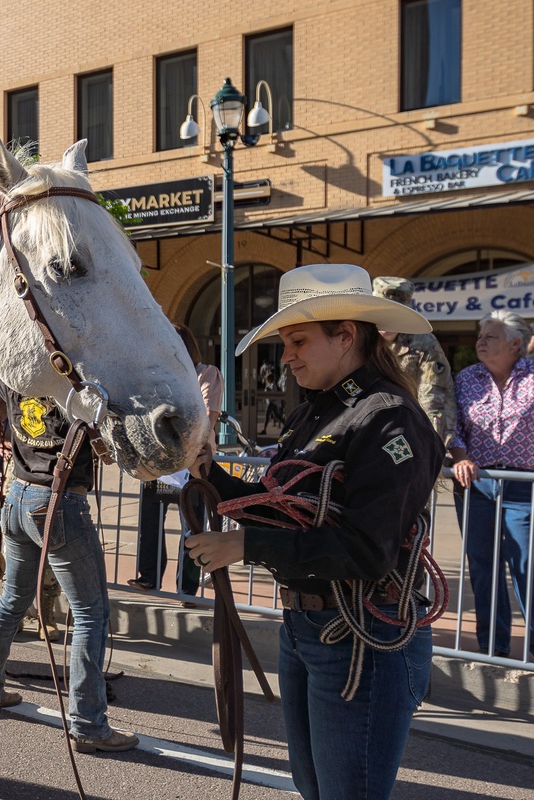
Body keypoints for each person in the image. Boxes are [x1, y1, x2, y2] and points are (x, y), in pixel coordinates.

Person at [184, 263, 443, 800]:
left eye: (298, 341)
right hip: (309, 630)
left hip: (360, 639)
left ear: (346, 335)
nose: (287, 357)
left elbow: (367, 550)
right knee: (314, 788)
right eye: (284, 343)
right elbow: (283, 507)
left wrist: (245, 544)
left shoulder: (391, 420)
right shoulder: (315, 413)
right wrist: (207, 472)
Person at [0, 389, 139, 754]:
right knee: (91, 613)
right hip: (59, 501)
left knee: (13, 598)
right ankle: (89, 723)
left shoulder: (17, 380)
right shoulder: (70, 384)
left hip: (18, 494)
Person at [449, 310, 534, 659]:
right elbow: (451, 426)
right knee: (483, 566)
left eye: (490, 336)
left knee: (526, 565)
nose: (480, 341)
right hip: (476, 483)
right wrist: (459, 457)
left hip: (523, 485)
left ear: (516, 344)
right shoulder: (466, 378)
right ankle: (493, 647)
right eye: (480, 335)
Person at [128, 324, 222, 602]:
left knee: (192, 530)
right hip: (158, 462)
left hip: (192, 465)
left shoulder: (206, 374)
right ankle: (148, 577)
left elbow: (206, 419)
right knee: (150, 523)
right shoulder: (157, 378)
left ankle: (187, 591)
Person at [372, 276, 456, 447]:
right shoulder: (357, 339)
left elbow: (432, 399)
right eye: (383, 315)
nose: (389, 323)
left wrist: (429, 448)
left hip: (409, 426)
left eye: (396, 315)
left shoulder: (425, 344)